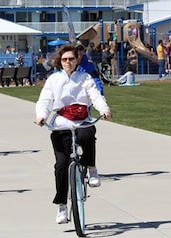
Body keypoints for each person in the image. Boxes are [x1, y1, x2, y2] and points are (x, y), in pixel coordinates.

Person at [34, 44, 112, 224]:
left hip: (82, 119)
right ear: (59, 62)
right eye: (64, 60)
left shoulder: (85, 77)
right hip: (61, 123)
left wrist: (104, 109)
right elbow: (44, 100)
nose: (68, 62)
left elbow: (96, 95)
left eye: (71, 59)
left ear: (77, 60)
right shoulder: (53, 79)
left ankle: (91, 169)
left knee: (87, 134)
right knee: (61, 165)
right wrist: (41, 116)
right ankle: (62, 206)